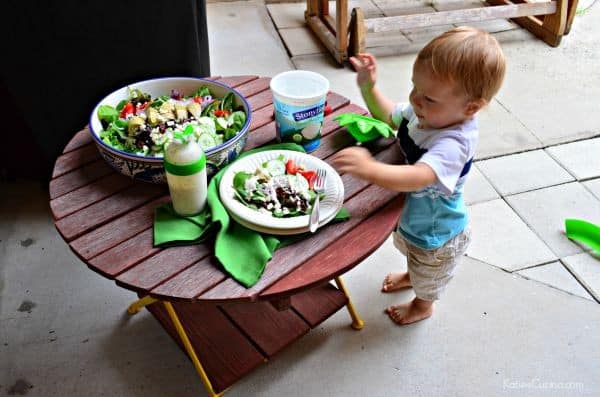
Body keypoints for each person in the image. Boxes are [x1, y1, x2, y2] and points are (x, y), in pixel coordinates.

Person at [332, 26, 506, 325]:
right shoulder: (426, 113)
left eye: (429, 98)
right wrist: (368, 88)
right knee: (410, 252)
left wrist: (369, 170)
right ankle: (412, 275)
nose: (415, 100)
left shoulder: (454, 142)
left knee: (429, 275)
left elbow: (419, 176)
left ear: (471, 107)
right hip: (414, 217)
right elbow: (388, 115)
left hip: (438, 233)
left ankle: (423, 305)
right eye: (415, 88)